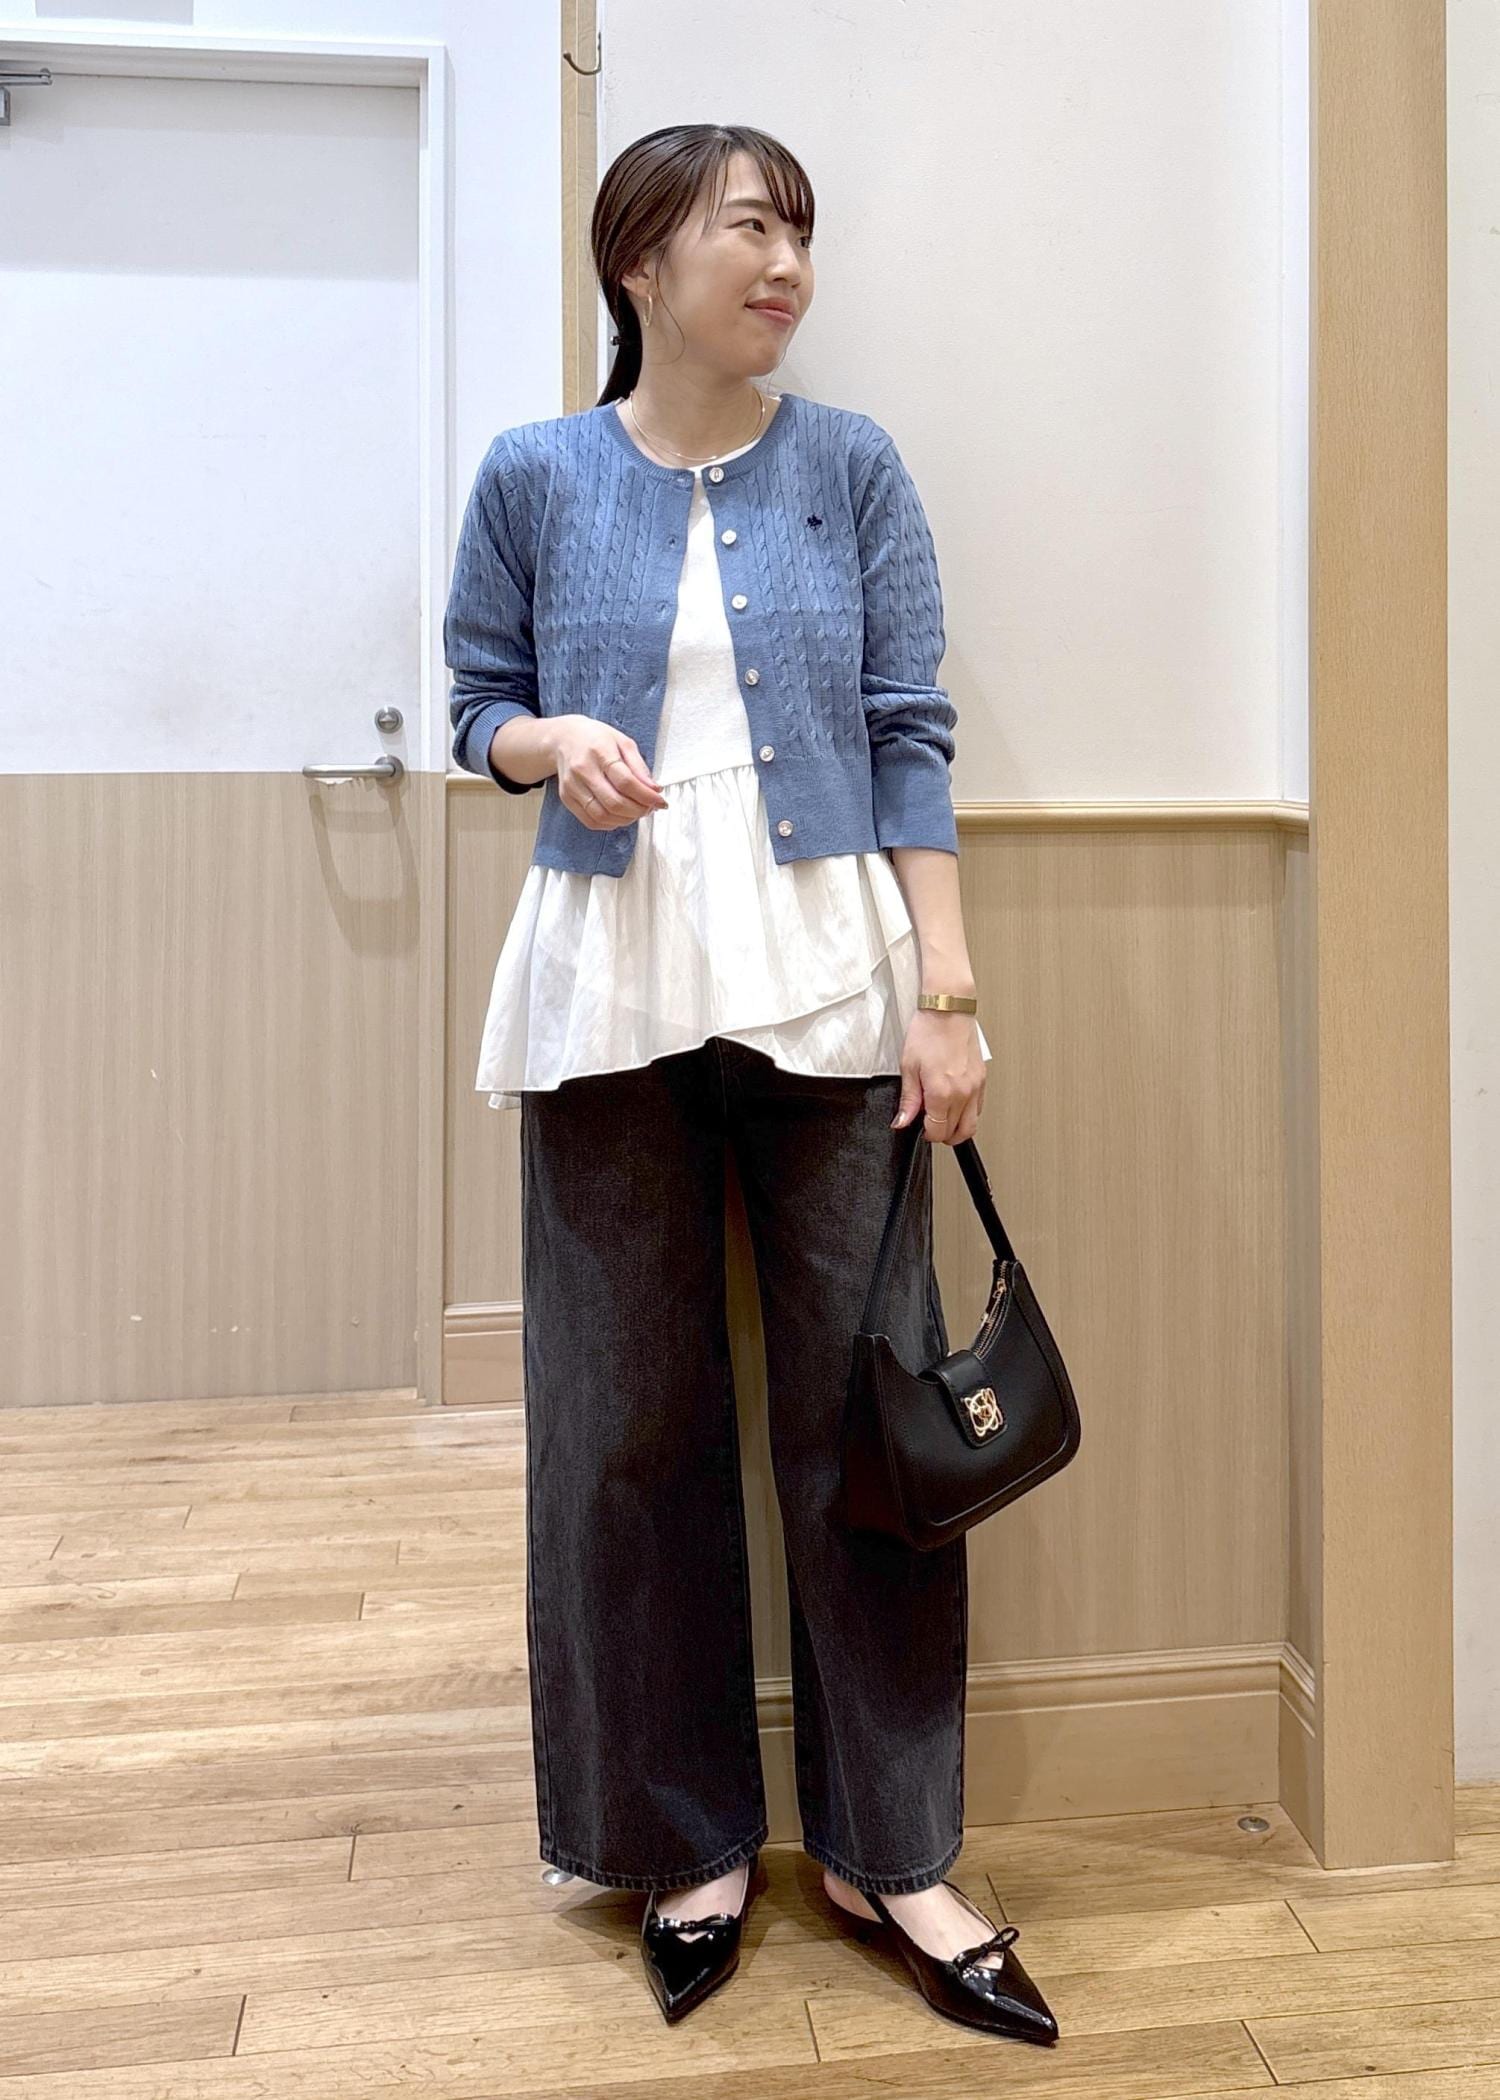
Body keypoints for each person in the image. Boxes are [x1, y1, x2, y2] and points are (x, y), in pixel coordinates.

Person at [445, 123, 1058, 2047]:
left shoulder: (853, 465)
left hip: (828, 978)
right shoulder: (534, 472)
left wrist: (945, 992)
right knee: (623, 1428)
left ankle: (895, 1851)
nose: (785, 263)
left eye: (800, 231)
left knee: (866, 1421)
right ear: (640, 261)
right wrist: (551, 741)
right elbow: (474, 705)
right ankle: (681, 1841)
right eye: (746, 228)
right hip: (609, 976)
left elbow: (907, 732)